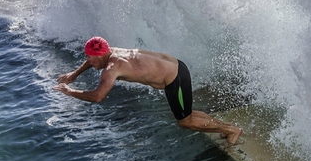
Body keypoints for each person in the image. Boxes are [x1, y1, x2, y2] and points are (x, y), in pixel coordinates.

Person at [54, 37, 242, 144]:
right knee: (187, 113)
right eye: (88, 57)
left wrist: (71, 91)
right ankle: (225, 126)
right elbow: (92, 58)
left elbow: (98, 96)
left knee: (185, 122)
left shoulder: (112, 68)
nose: (90, 61)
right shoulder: (111, 51)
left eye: (92, 58)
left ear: (102, 54)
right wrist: (74, 74)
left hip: (174, 78)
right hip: (176, 66)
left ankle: (231, 129)